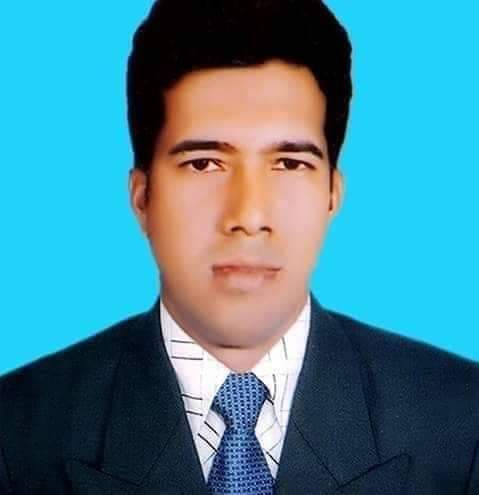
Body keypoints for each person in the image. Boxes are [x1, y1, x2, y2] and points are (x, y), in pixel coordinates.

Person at [0, 0, 478, 493]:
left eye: (289, 164)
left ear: (332, 194)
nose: (248, 216)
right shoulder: (16, 437)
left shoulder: (463, 422)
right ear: (142, 197)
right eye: (204, 163)